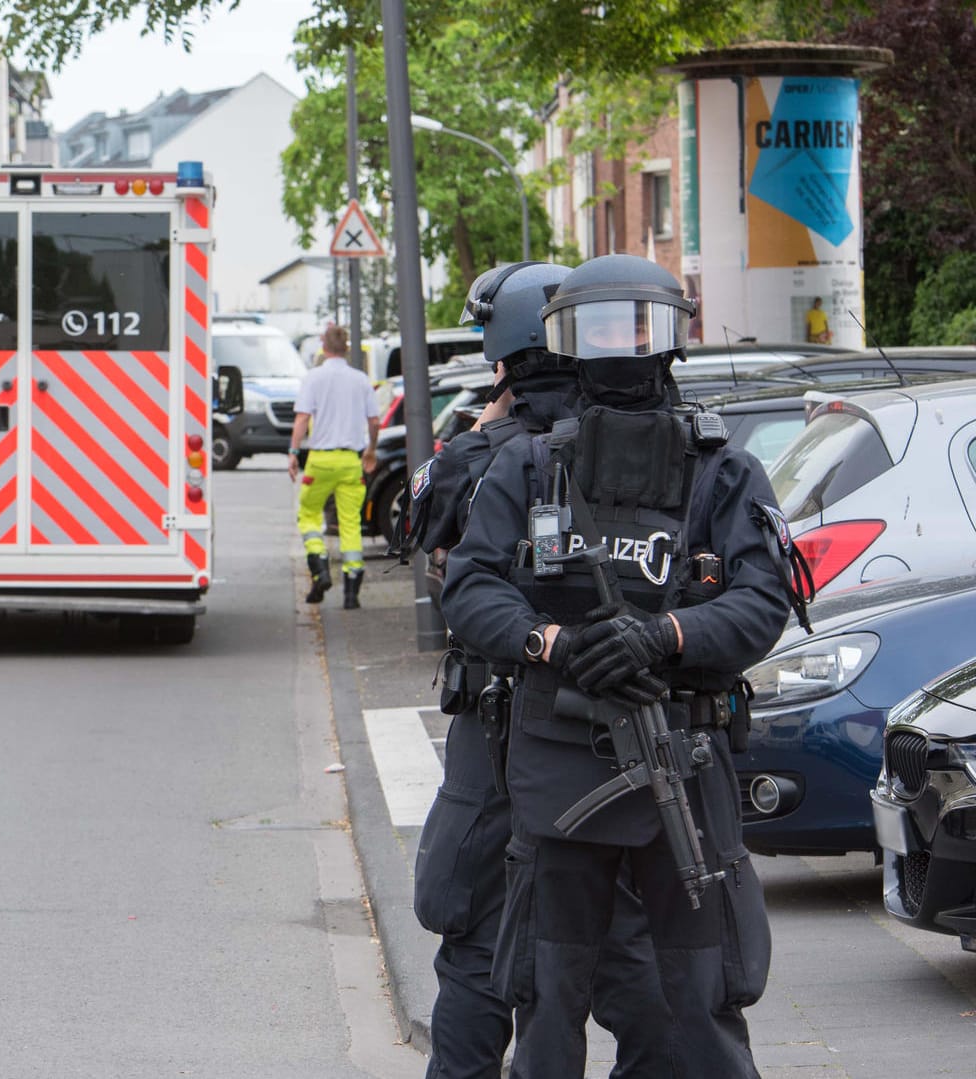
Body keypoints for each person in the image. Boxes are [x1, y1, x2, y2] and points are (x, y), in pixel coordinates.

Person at [442, 254, 805, 1076]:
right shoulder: (531, 466)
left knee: (701, 1002)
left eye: (640, 324)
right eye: (600, 327)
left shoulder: (723, 470)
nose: (621, 345)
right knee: (545, 999)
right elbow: (472, 588)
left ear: (674, 336)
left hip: (683, 765)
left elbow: (761, 601)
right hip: (559, 777)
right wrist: (553, 644)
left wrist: (666, 636)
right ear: (567, 340)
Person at [407, 262, 667, 1078]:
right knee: (624, 942)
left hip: (501, 734)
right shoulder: (629, 439)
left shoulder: (493, 451)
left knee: (481, 934)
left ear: (507, 349)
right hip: (610, 737)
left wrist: (485, 424)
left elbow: (421, 521)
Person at [289, 322, 379, 607]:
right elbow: (374, 421)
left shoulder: (313, 378)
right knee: (350, 522)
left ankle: (320, 566)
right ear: (347, 348)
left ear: (323, 346)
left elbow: (302, 419)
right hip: (351, 461)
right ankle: (351, 592)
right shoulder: (361, 380)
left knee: (309, 514)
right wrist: (371, 451)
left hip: (321, 461)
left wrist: (293, 452)